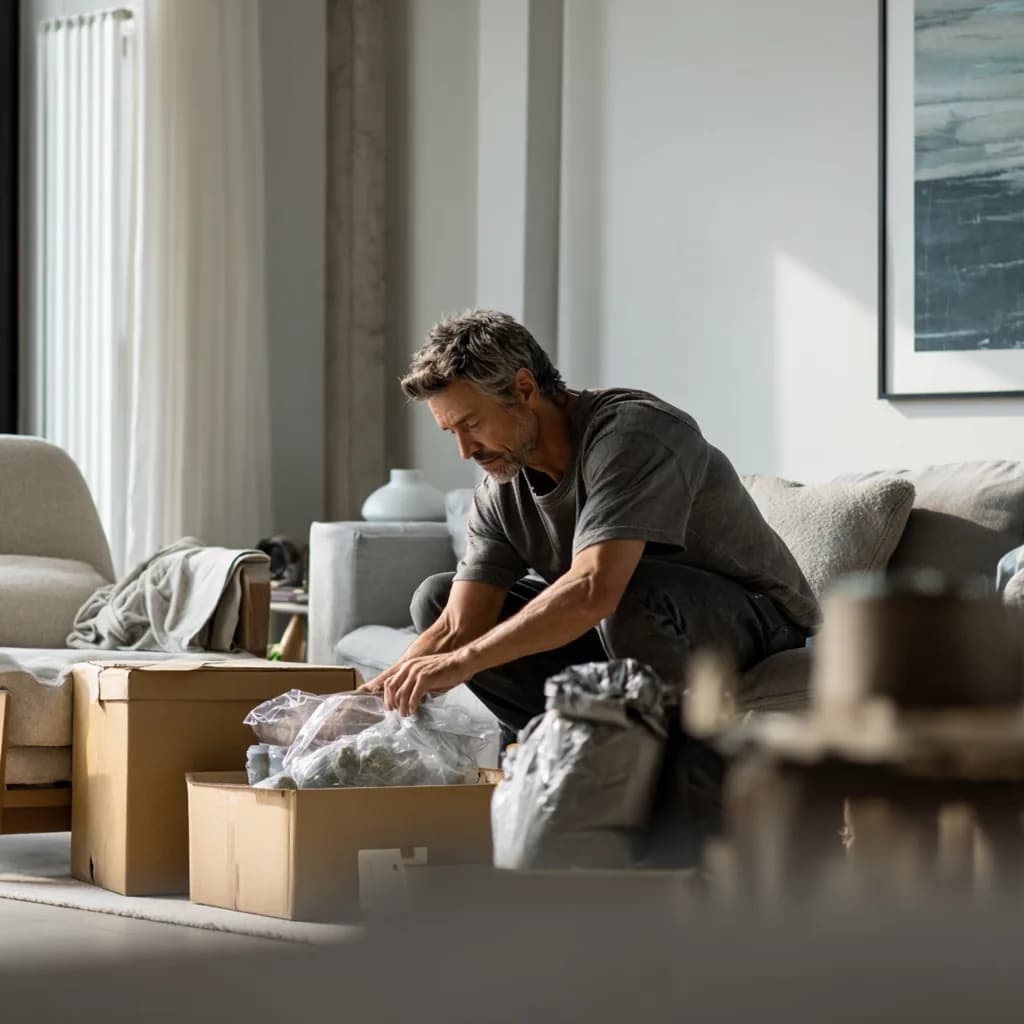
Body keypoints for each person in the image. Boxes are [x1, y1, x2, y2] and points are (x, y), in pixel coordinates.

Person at [360, 309, 819, 741]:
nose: (465, 450)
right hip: (621, 626)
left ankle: (669, 779)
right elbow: (459, 623)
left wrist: (461, 663)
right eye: (451, 433)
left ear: (523, 389)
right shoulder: (502, 485)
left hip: (756, 620)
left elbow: (595, 589)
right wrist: (362, 705)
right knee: (436, 597)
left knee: (631, 594)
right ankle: (555, 755)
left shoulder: (632, 435)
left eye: (472, 424)